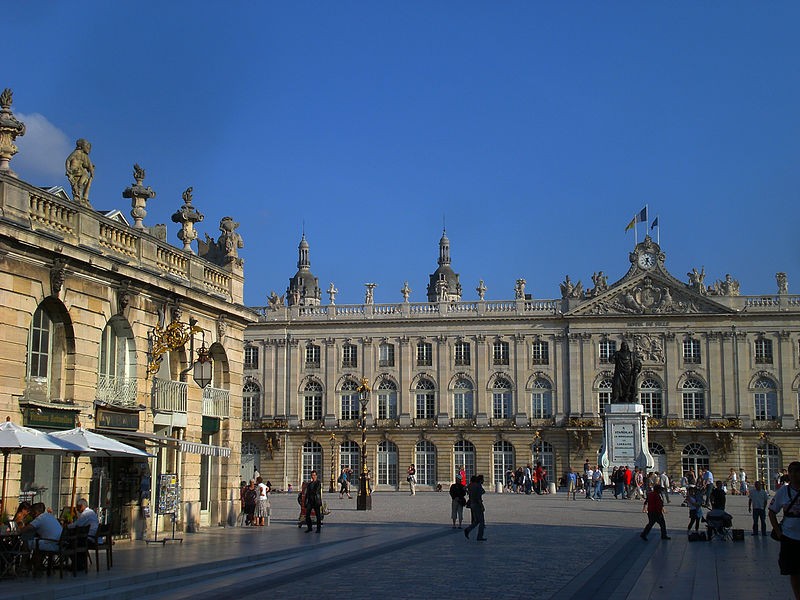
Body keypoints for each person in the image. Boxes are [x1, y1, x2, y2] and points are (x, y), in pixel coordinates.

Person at [768, 461, 800, 599]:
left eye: (796, 471)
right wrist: (779, 533)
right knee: (794, 572)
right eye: (790, 471)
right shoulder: (784, 491)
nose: (793, 474)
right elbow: (771, 512)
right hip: (790, 537)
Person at [65, 138, 94, 206]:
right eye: (87, 147)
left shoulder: (84, 156)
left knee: (84, 180)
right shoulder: (77, 152)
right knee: (83, 178)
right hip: (75, 170)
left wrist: (91, 170)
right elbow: (68, 160)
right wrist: (68, 169)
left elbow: (88, 164)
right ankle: (79, 193)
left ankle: (80, 195)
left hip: (79, 170)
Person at [464, 475, 487, 541]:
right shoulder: (478, 486)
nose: (483, 481)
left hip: (472, 504)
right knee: (482, 522)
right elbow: (479, 497)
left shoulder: (471, 485)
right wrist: (481, 506)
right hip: (477, 504)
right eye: (483, 479)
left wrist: (468, 492)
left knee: (477, 521)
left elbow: (465, 488)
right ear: (480, 480)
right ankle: (479, 536)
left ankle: (467, 530)